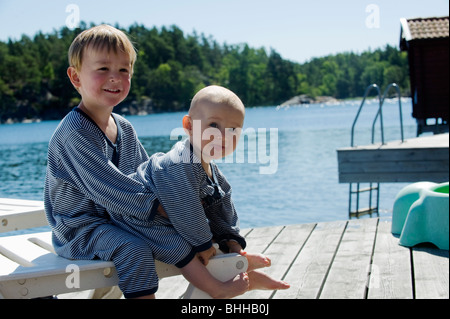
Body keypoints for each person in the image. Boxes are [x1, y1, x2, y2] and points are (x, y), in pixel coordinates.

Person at [44, 25, 249, 299]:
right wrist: (166, 207)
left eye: (124, 70)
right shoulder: (74, 134)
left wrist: (179, 197)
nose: (115, 78)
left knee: (187, 224)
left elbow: (145, 177)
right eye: (103, 69)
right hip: (81, 228)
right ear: (75, 76)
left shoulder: (124, 128)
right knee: (134, 249)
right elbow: (109, 189)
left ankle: (224, 264)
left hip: (121, 217)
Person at [116, 85, 290, 295]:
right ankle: (216, 288)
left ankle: (238, 261)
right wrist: (203, 243)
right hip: (137, 219)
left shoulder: (208, 166)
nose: (223, 136)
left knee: (212, 235)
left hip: (169, 219)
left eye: (233, 130)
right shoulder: (179, 163)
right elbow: (185, 209)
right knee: (181, 246)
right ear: (189, 126)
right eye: (214, 125)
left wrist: (231, 238)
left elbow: (222, 200)